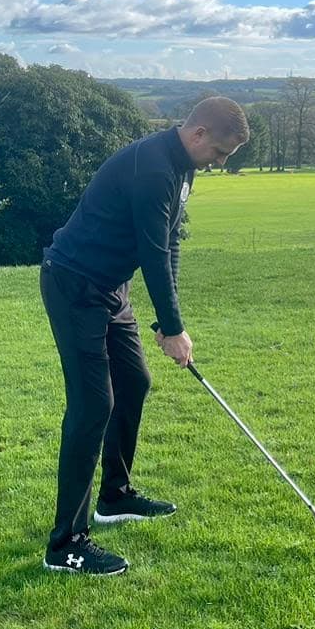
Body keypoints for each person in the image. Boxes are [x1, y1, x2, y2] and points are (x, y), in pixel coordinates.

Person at [39, 96, 250, 575]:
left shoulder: (181, 169)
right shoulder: (154, 168)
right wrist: (174, 329)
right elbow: (152, 253)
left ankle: (114, 496)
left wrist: (165, 319)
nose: (218, 164)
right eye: (219, 153)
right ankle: (66, 543)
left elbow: (170, 241)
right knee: (93, 405)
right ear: (198, 135)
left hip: (111, 288)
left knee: (134, 383)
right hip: (74, 285)